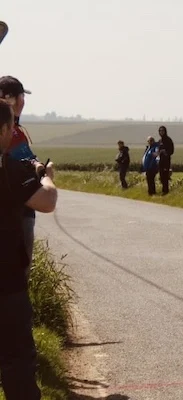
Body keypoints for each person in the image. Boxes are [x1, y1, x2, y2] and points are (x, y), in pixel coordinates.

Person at [0, 99, 58, 400]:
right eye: (11, 128)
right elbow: (46, 201)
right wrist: (46, 177)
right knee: (17, 362)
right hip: (7, 282)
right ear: (3, 130)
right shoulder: (8, 169)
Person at [0, 76, 43, 269]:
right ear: (16, 100)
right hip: (18, 209)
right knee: (19, 268)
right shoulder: (12, 131)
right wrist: (40, 168)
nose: (23, 102)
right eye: (21, 97)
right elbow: (26, 164)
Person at [157, 125, 174, 194]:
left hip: (166, 161)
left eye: (162, 131)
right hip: (160, 160)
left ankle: (165, 191)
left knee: (165, 176)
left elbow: (172, 151)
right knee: (161, 176)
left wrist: (165, 152)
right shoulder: (160, 141)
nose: (161, 132)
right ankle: (163, 190)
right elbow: (158, 150)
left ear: (165, 131)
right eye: (160, 131)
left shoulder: (168, 140)